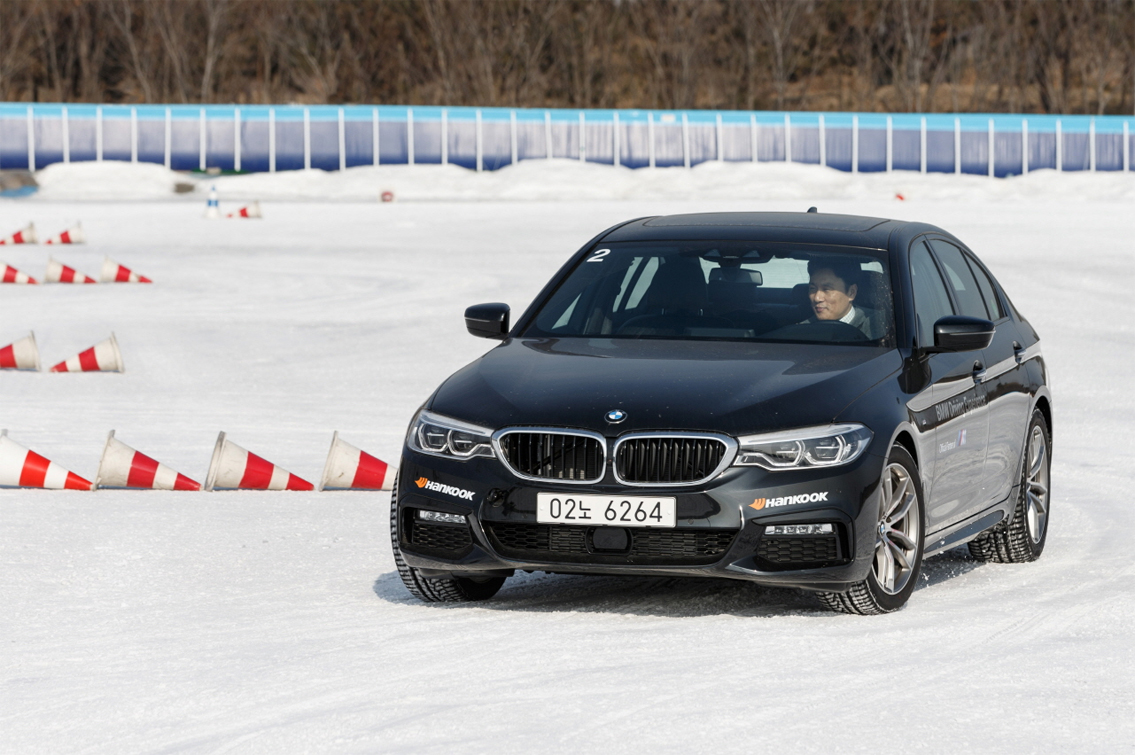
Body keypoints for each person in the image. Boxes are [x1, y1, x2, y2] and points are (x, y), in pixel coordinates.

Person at [803, 259, 881, 339]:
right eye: (812, 288)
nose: (817, 298)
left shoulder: (878, 326)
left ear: (851, 292)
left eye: (826, 289)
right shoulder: (802, 331)